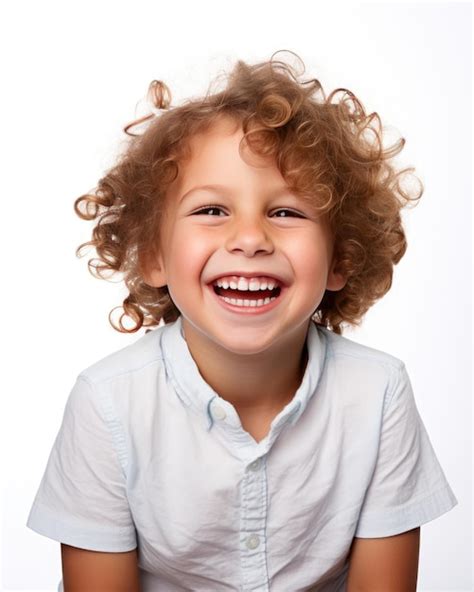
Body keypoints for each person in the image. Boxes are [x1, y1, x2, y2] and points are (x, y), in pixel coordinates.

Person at [26, 50, 458, 591]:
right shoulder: (108, 403)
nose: (250, 239)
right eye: (211, 210)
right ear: (153, 255)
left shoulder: (379, 394)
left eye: (287, 212)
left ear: (340, 258)